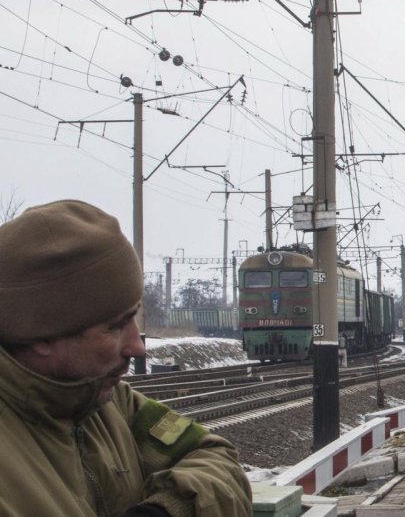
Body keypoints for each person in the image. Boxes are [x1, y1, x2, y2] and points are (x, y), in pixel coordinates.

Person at [0, 200, 253, 517]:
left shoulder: (113, 404)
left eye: (133, 317)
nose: (138, 347)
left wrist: (168, 509)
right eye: (115, 327)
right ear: (41, 336)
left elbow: (214, 455)